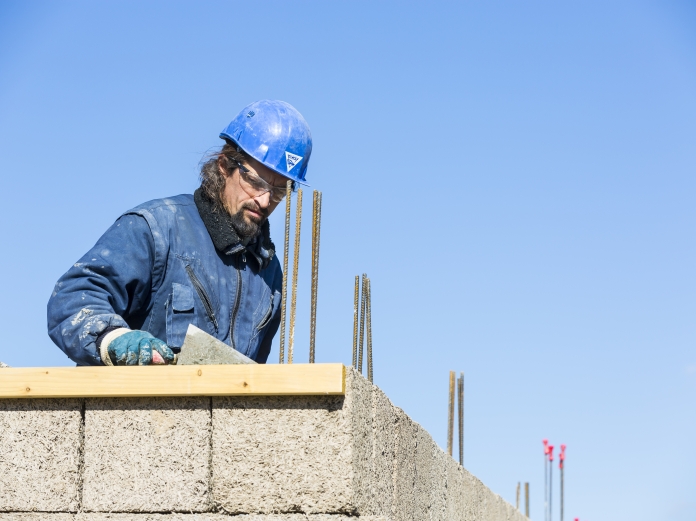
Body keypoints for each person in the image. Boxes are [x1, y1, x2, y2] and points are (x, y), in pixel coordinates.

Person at [47, 100, 312, 366]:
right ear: (224, 165)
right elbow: (72, 297)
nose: (265, 201)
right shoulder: (157, 228)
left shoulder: (269, 271)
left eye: (280, 192)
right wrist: (112, 338)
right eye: (256, 182)